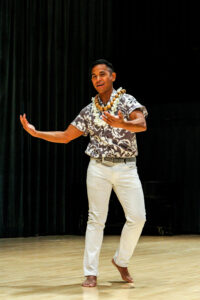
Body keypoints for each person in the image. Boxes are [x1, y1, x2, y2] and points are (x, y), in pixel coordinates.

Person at [20, 59, 148, 287]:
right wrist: (37, 133)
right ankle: (90, 272)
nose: (97, 79)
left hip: (127, 166)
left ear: (113, 77)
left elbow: (141, 124)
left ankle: (121, 260)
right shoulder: (89, 110)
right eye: (93, 76)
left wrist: (123, 124)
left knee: (138, 218)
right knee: (96, 219)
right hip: (98, 167)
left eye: (102, 74)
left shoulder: (127, 101)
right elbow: (66, 135)